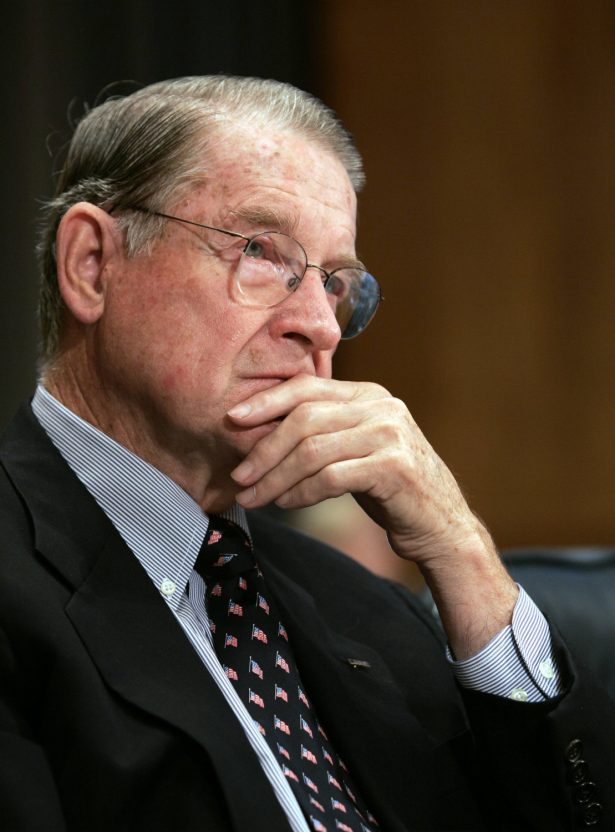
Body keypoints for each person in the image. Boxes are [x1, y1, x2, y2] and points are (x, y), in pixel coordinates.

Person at [0, 75, 611, 832]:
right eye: (260, 251)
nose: (319, 325)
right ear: (93, 264)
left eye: (335, 283)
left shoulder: (367, 609)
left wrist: (458, 550)